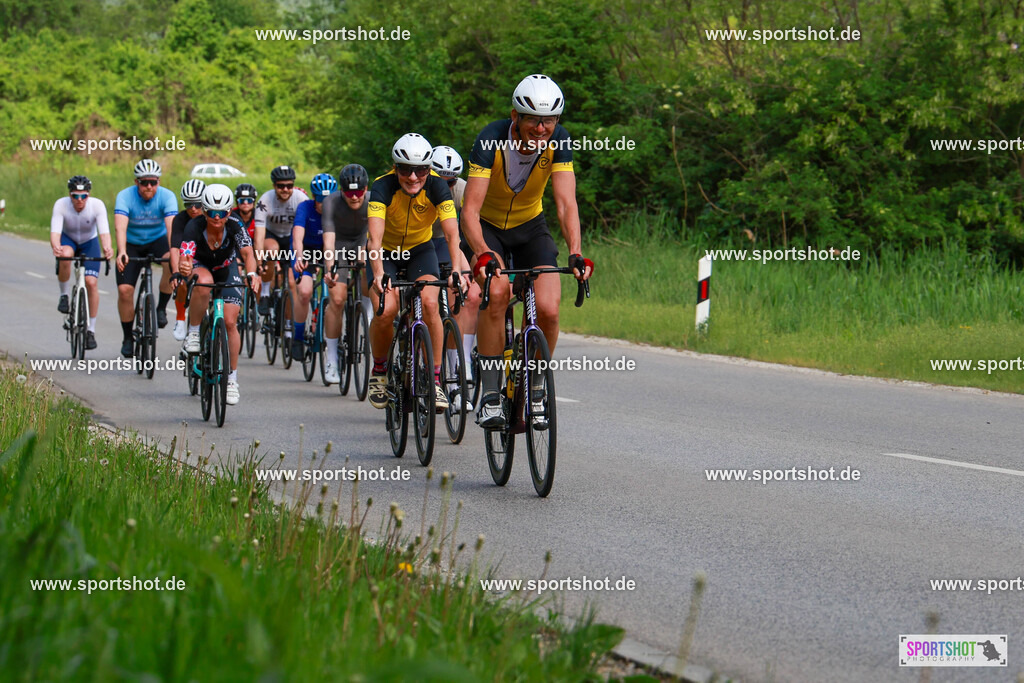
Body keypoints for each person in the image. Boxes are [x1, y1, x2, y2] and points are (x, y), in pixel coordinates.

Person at [460, 74, 593, 427]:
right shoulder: (491, 138)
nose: (541, 128)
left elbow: (566, 204)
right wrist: (482, 253)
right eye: (533, 119)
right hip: (488, 229)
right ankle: (490, 394)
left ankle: (535, 386)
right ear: (515, 116)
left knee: (548, 309)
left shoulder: (558, 141)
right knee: (498, 291)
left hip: (531, 227)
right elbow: (469, 210)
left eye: (549, 120)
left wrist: (576, 252)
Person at [367, 133, 462, 411]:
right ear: (395, 168)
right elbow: (374, 238)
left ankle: (434, 380)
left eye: (420, 170)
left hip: (421, 250)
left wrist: (456, 269)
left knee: (431, 302)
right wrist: (377, 273)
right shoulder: (382, 187)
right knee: (386, 310)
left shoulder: (437, 187)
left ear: (428, 169)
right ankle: (380, 371)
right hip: (386, 252)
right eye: (405, 169)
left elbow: (452, 233)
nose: (412, 177)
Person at [178, 184, 259, 405]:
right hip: (202, 265)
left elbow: (247, 253)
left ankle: (231, 379)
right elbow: (185, 257)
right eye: (211, 213)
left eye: (221, 213)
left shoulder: (234, 224)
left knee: (231, 323)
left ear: (229, 212)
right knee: (203, 283)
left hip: (226, 267)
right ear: (204, 211)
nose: (216, 218)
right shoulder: (194, 226)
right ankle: (194, 332)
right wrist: (184, 267)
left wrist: (252, 273)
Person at [430, 145, 479, 410]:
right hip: (423, 244)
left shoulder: (460, 189)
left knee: (468, 294)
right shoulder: (420, 187)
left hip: (452, 244)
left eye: (451, 181)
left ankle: (460, 369)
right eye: (442, 181)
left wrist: (463, 271)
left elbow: (459, 239)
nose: (447, 186)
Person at [114, 159, 178, 357]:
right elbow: (120, 226)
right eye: (144, 182)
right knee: (125, 291)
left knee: (169, 260)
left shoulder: (167, 196)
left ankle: (160, 308)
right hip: (132, 244)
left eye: (153, 182)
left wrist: (175, 257)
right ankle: (127, 337)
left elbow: (171, 228)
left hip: (157, 240)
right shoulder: (125, 196)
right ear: (136, 182)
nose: (149, 186)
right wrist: (122, 251)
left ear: (158, 182)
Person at [51, 175, 114, 350]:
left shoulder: (97, 205)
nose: (80, 200)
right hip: (69, 239)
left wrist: (107, 248)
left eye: (83, 196)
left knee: (91, 282)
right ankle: (64, 295)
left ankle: (90, 331)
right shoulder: (61, 205)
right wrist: (56, 246)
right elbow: (55, 232)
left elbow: (104, 232)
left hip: (89, 242)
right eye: (75, 196)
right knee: (64, 254)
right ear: (70, 195)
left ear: (89, 195)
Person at [322, 163, 371, 383]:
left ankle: (367, 314)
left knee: (366, 263)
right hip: (339, 245)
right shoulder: (331, 202)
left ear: (366, 188)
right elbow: (329, 242)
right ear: (341, 190)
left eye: (359, 192)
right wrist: (330, 268)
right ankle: (331, 358)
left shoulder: (372, 200)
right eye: (349, 192)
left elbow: (375, 236)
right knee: (338, 298)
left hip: (362, 242)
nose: (354, 197)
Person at [289, 172, 340, 376]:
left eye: (328, 200)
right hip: (307, 252)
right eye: (320, 201)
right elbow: (297, 237)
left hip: (331, 250)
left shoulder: (340, 210)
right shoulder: (305, 208)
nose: (324, 205)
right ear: (313, 197)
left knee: (338, 292)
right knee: (304, 291)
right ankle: (299, 337)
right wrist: (299, 256)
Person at [254, 165, 308, 317]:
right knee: (271, 249)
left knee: (292, 283)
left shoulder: (301, 199)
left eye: (289, 185)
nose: (285, 189)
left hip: (292, 238)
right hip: (272, 235)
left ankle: (289, 327)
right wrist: (259, 262)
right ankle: (265, 292)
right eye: (281, 186)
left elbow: (307, 230)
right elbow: (259, 235)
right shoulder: (265, 200)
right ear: (274, 186)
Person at [169, 179, 206, 341]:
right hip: (187, 256)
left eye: (198, 204)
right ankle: (180, 318)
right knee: (182, 284)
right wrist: (176, 272)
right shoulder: (180, 219)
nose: (193, 209)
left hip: (205, 256)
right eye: (188, 204)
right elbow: (175, 248)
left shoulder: (211, 217)